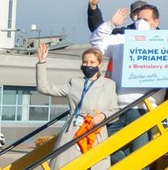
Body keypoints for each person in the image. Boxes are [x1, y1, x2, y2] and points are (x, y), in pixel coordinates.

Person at [91, 4, 162, 163]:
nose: (140, 23)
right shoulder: (121, 39)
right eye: (138, 19)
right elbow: (96, 43)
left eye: (145, 19)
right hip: (117, 108)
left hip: (144, 109)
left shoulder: (164, 42)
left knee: (140, 158)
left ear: (156, 23)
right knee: (101, 148)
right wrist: (111, 24)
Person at [35, 42, 118, 170]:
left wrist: (103, 115)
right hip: (73, 131)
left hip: (97, 132)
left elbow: (114, 110)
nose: (88, 65)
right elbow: (44, 88)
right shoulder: (74, 83)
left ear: (99, 64)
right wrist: (42, 62)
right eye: (85, 62)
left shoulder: (109, 85)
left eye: (92, 62)